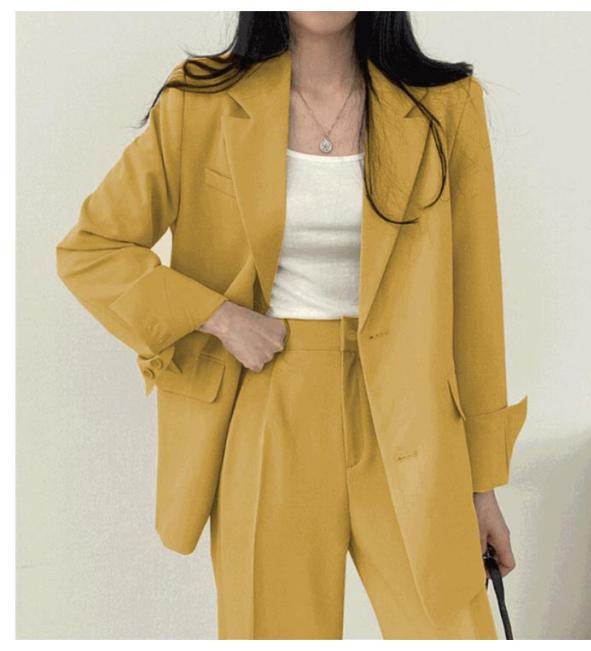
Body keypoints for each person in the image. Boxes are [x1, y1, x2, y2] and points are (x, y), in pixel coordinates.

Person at [56, 11, 528, 640]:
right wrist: (219, 318)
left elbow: (476, 304)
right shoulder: (201, 98)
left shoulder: (446, 105)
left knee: (450, 630)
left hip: (411, 416)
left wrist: (482, 487)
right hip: (269, 404)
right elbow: (93, 249)